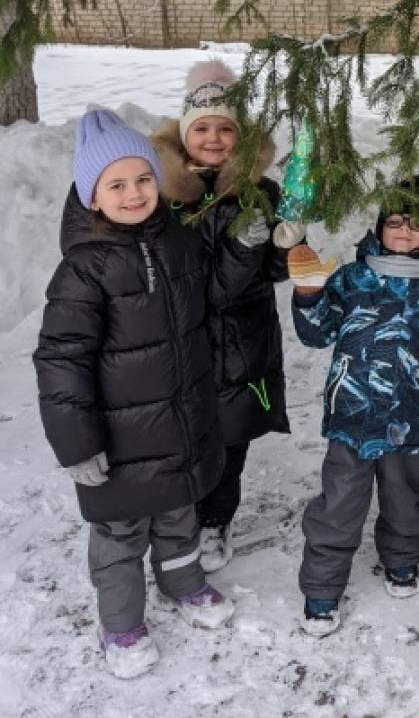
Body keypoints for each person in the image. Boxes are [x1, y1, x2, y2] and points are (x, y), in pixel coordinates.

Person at [34, 110, 233, 680]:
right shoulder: (83, 270)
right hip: (117, 441)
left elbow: (206, 305)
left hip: (178, 423)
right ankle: (121, 624)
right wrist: (76, 444)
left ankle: (184, 583)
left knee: (177, 516)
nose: (134, 193)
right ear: (92, 197)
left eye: (143, 178)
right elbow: (61, 359)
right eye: (115, 184)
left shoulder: (177, 241)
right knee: (120, 535)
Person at [289, 179, 419, 636]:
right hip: (352, 416)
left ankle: (402, 559)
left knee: (405, 498)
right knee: (340, 502)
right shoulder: (354, 277)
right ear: (379, 226)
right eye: (395, 222)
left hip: (411, 419)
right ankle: (322, 587)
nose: (405, 232)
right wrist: (309, 296)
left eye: (417, 224)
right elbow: (317, 334)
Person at [152, 60, 299, 573]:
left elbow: (278, 271)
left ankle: (215, 521)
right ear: (185, 131)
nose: (214, 139)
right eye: (202, 128)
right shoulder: (161, 196)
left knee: (229, 445)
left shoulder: (263, 192)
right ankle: (177, 521)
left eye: (225, 128)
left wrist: (288, 243)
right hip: (180, 343)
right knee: (180, 439)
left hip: (243, 342)